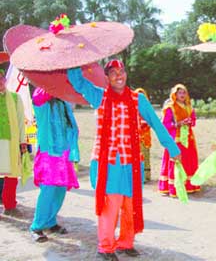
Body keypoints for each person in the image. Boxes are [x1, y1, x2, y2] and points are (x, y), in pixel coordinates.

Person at [67, 60, 181, 261]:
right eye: (113, 73)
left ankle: (126, 242)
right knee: (110, 206)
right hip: (107, 163)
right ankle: (106, 247)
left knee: (130, 205)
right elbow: (77, 81)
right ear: (107, 77)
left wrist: (172, 148)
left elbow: (156, 123)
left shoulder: (138, 99)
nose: (119, 76)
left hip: (131, 162)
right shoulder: (99, 96)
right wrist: (77, 57)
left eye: (122, 71)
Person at [29, 88, 80, 242]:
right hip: (49, 154)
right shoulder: (40, 97)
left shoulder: (63, 102)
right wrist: (54, 83)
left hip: (64, 154)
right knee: (48, 190)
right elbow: (45, 92)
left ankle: (51, 222)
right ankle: (36, 226)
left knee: (60, 190)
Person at [159, 84, 200, 195]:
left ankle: (188, 186)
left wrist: (190, 122)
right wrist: (178, 124)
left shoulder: (189, 107)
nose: (182, 95)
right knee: (177, 161)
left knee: (188, 161)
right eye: (180, 93)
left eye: (184, 92)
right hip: (175, 139)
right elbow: (165, 124)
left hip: (188, 139)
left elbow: (194, 120)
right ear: (175, 94)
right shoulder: (170, 107)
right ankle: (175, 187)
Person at [0, 65, 27, 217]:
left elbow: (20, 121)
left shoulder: (16, 98)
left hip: (11, 142)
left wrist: (22, 142)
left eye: (1, 79)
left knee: (11, 176)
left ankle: (10, 205)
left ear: (5, 80)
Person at [134, 88, 152, 182]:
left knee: (146, 154)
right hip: (135, 135)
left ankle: (146, 176)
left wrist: (146, 123)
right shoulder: (132, 107)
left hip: (145, 135)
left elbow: (152, 120)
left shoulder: (147, 108)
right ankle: (139, 176)